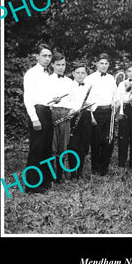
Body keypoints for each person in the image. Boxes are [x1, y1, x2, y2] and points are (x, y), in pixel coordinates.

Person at [23, 43, 54, 193]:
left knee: (46, 149)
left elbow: (44, 96)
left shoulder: (46, 74)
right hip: (38, 112)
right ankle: (32, 186)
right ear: (37, 57)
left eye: (49, 56)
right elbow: (28, 98)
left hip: (47, 111)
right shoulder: (31, 73)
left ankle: (44, 182)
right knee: (36, 149)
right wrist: (34, 118)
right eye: (44, 55)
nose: (47, 59)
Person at [84, 53, 117, 176]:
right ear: (96, 64)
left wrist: (115, 102)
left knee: (108, 141)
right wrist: (91, 116)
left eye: (106, 63)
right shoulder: (89, 79)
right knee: (96, 142)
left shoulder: (111, 78)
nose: (104, 66)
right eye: (101, 63)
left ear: (109, 65)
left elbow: (115, 94)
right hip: (95, 112)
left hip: (109, 111)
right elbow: (86, 100)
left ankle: (104, 168)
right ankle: (95, 168)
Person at [48, 52, 73, 183]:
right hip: (52, 112)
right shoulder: (47, 80)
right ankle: (51, 176)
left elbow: (72, 100)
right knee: (52, 145)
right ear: (52, 65)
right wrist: (52, 101)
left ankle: (59, 175)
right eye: (58, 65)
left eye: (63, 65)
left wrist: (70, 111)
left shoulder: (70, 82)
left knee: (63, 146)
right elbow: (43, 99)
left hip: (65, 113)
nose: (61, 67)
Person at [67, 62, 93, 179]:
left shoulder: (89, 86)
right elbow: (67, 102)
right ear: (73, 74)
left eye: (83, 73)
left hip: (86, 116)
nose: (80, 75)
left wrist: (89, 105)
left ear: (86, 74)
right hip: (73, 116)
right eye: (78, 73)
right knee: (73, 145)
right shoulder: (69, 85)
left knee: (83, 144)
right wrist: (73, 110)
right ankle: (73, 172)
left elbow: (94, 102)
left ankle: (80, 172)